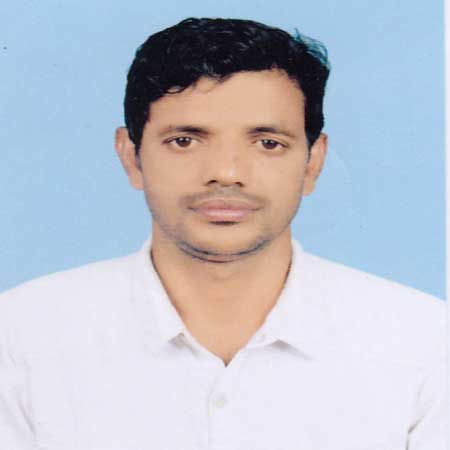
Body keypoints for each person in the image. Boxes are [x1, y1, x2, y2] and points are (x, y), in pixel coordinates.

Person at [0, 17, 446, 450]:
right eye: (185, 141)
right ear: (131, 157)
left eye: (268, 143)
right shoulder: (21, 335)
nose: (226, 172)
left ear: (313, 162)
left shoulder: (425, 341)